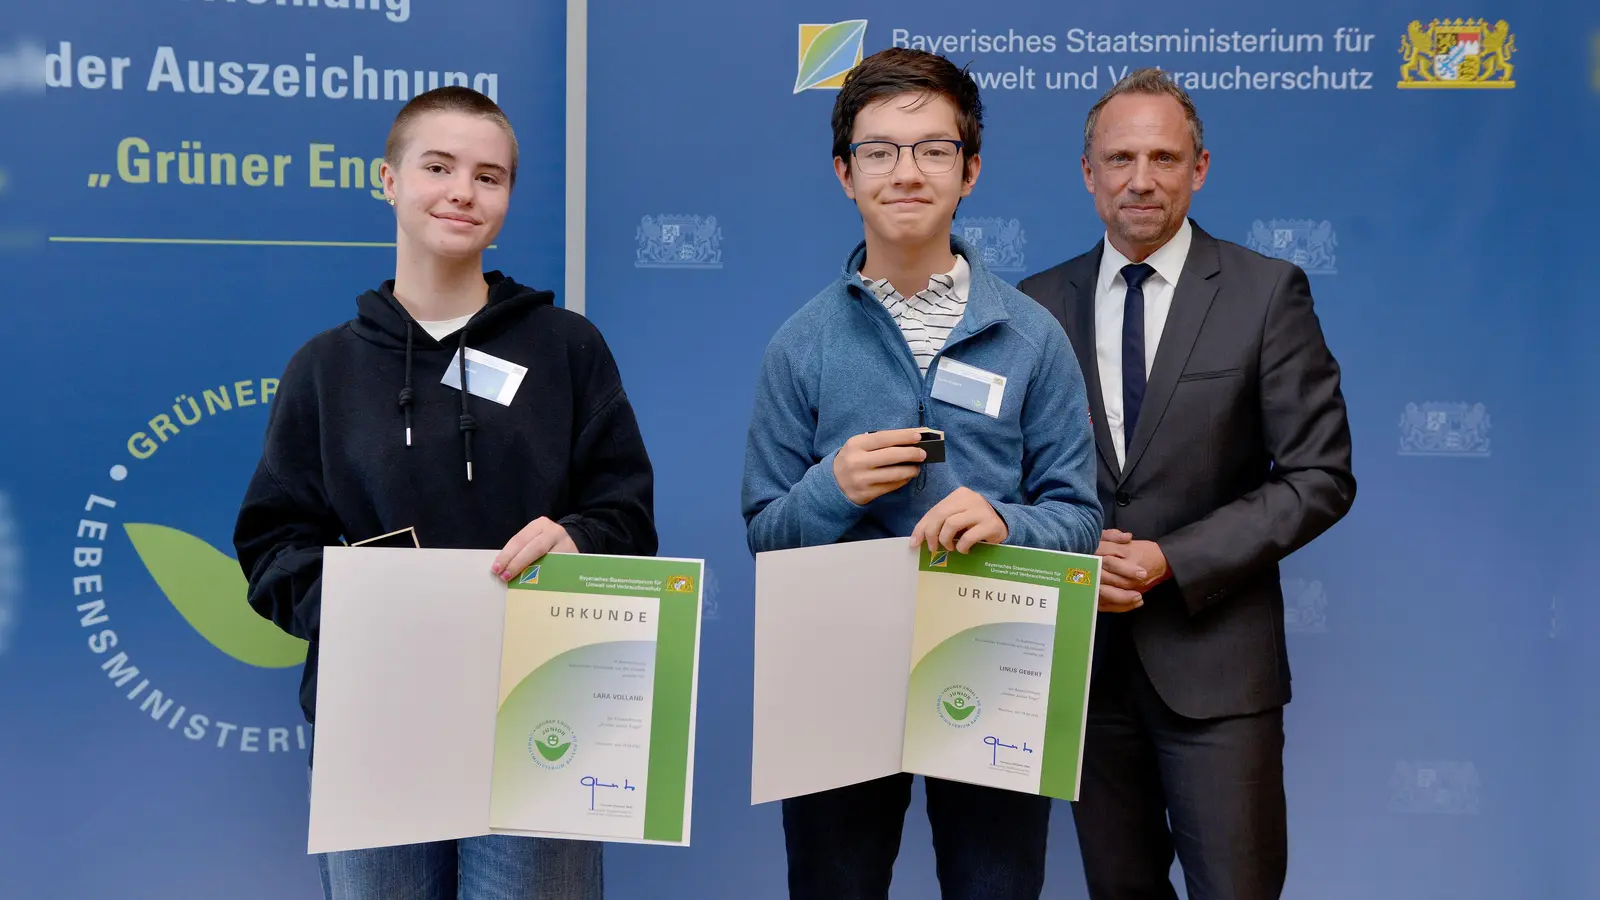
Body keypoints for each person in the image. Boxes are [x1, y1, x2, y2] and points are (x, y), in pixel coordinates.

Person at [232, 85, 656, 900]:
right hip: (376, 721)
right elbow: (271, 543)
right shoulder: (323, 369)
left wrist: (581, 542)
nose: (464, 190)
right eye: (438, 166)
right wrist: (357, 601)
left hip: (545, 711)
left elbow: (626, 514)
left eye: (489, 176)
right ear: (387, 181)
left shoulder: (569, 349)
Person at [741, 48, 1102, 900]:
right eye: (880, 150)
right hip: (835, 670)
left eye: (933, 149)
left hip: (995, 663)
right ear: (844, 173)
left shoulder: (1033, 337)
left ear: (970, 170)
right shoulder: (800, 344)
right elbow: (765, 533)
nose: (907, 172)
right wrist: (835, 487)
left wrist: (1009, 523)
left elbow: (1079, 519)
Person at [1017, 68, 1356, 900]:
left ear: (1199, 169)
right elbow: (1005, 478)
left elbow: (1320, 475)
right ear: (1087, 171)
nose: (1141, 179)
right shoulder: (1031, 306)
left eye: (1164, 158)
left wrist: (1173, 558)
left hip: (1218, 670)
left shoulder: (1266, 293)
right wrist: (1062, 547)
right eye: (1120, 157)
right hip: (1084, 674)